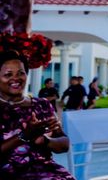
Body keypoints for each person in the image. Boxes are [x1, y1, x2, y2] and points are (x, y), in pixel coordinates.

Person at [0, 50, 74, 179]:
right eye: (8, 74)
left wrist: (44, 140)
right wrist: (24, 136)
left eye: (21, 73)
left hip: (47, 172)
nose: (16, 78)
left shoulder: (42, 105)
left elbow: (64, 145)